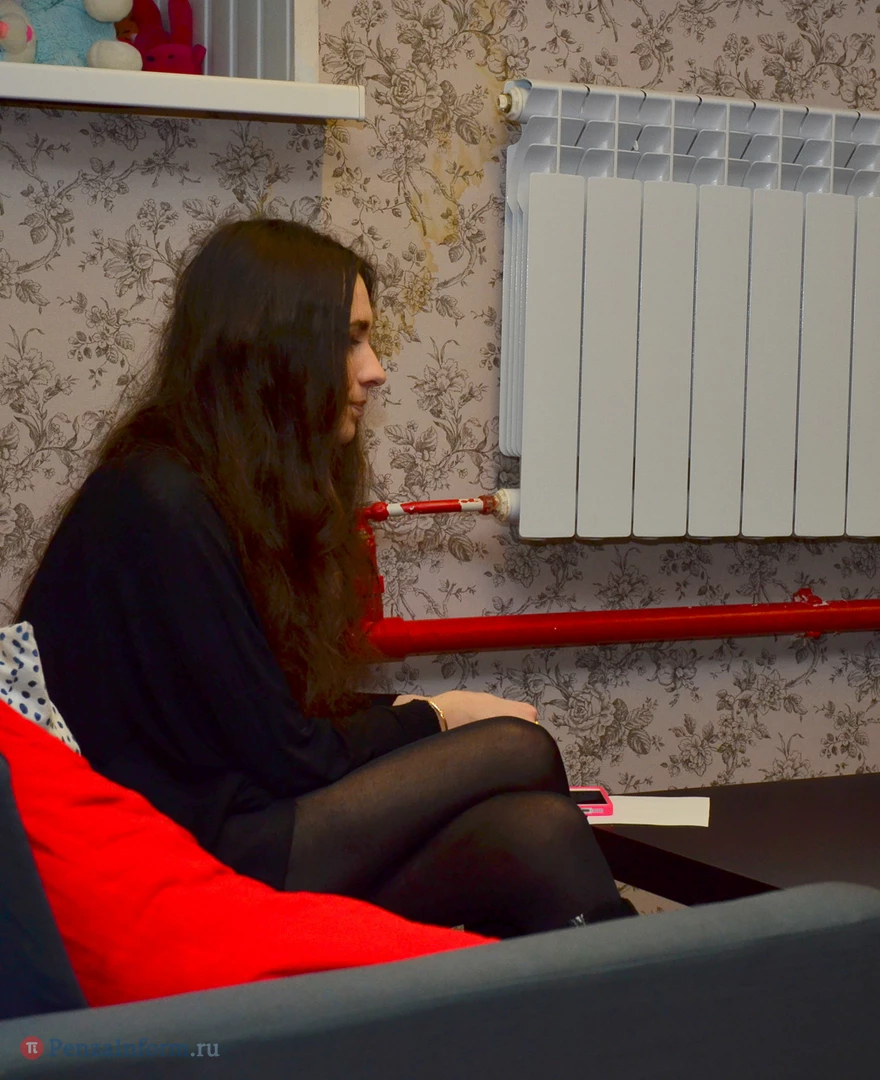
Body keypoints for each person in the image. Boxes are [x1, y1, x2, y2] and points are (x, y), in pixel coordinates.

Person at [21, 218, 628, 936]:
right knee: (519, 749)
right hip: (186, 853)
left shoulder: (216, 484)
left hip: (241, 818)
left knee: (536, 834)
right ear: (272, 349)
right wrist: (432, 716)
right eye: (350, 340)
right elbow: (290, 755)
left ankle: (615, 985)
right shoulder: (160, 501)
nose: (375, 370)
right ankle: (638, 981)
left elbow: (270, 712)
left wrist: (413, 707)